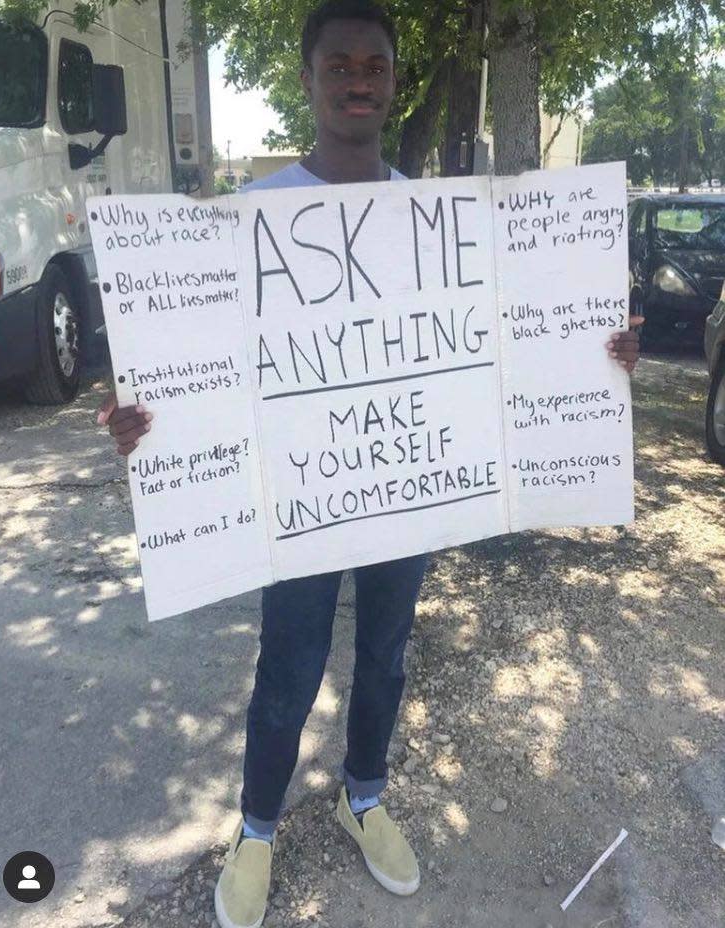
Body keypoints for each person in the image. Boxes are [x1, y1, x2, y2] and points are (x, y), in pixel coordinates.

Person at [97, 2, 643, 926]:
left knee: (386, 655)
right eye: (340, 65)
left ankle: (363, 795)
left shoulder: (437, 220)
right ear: (309, 81)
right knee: (290, 667)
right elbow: (190, 366)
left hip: (405, 486)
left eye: (376, 65)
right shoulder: (250, 219)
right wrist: (140, 425)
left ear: (392, 81)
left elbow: (517, 335)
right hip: (303, 501)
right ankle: (258, 829)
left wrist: (601, 355)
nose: (360, 79)